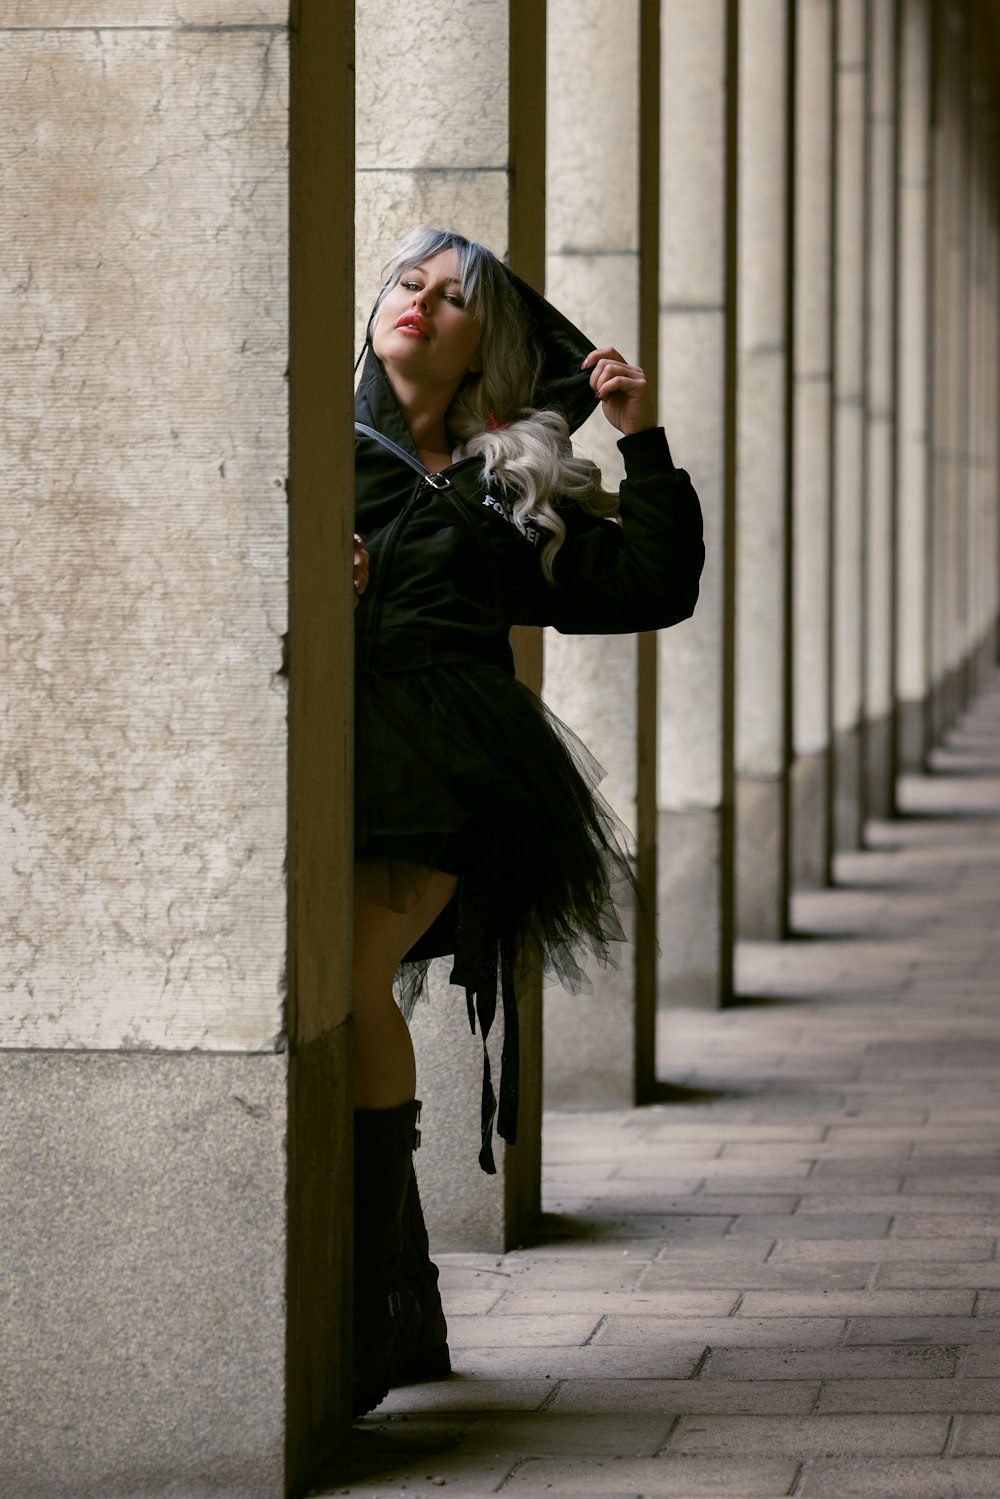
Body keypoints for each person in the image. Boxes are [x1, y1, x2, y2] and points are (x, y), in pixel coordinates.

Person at [350, 227, 704, 1418]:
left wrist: (640, 436)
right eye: (408, 282)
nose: (420, 304)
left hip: (447, 772)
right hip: (325, 765)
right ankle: (396, 1296)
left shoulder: (507, 488)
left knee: (353, 981)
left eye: (453, 300)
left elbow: (651, 585)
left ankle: (382, 1291)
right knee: (341, 993)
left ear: (482, 347)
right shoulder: (304, 445)